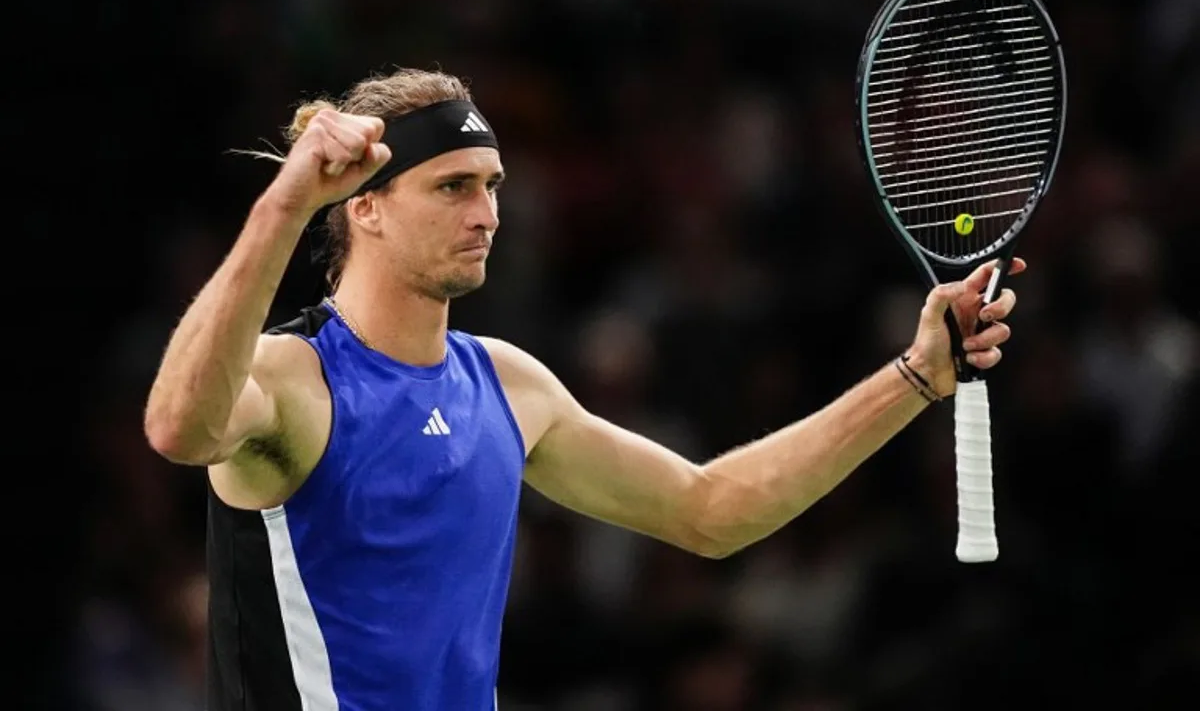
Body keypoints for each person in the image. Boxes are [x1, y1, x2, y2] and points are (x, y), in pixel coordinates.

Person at [144, 67, 1022, 711]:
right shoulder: (295, 380)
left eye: (491, 187)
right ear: (364, 207)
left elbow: (711, 510)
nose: (487, 214)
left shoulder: (508, 385)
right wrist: (282, 206)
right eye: (453, 188)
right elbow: (181, 426)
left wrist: (915, 379)